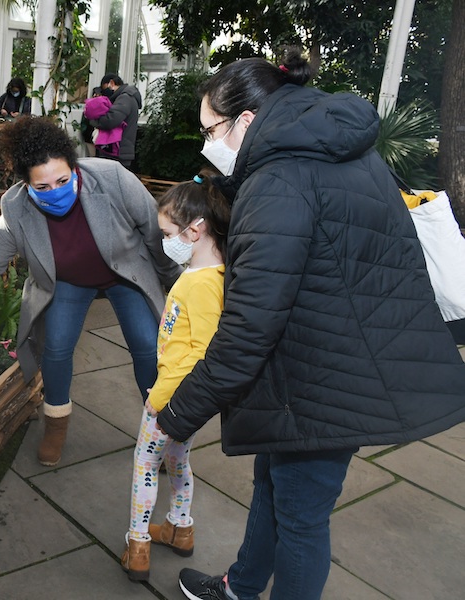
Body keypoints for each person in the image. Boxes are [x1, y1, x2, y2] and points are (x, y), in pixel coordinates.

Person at [154, 48, 465, 600]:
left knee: (300, 518)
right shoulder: (334, 146)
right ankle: (242, 585)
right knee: (277, 485)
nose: (206, 143)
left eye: (210, 130)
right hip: (339, 356)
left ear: (246, 121)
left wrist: (181, 411)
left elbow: (251, 324)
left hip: (325, 378)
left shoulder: (280, 179)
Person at [0, 117, 181, 467]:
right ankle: (56, 422)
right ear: (26, 184)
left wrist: (176, 283)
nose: (55, 191)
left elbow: (155, 233)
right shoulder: (15, 209)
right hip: (66, 279)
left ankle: (160, 432)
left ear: (74, 166)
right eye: (43, 186)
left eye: (63, 180)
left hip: (124, 272)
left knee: (147, 345)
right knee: (55, 347)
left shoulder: (113, 179)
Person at [121, 174, 230, 582]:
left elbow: (201, 351)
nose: (166, 241)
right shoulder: (209, 274)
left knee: (145, 462)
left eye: (169, 233)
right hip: (185, 398)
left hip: (172, 396)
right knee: (177, 458)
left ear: (195, 230)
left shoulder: (200, 284)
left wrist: (160, 396)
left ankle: (138, 546)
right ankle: (180, 529)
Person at [87, 73, 142, 169]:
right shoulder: (126, 97)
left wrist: (93, 120)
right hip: (121, 151)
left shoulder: (125, 98)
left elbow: (110, 120)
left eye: (105, 89)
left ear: (112, 83)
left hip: (117, 152)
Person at [83, 87, 125, 160]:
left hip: (96, 139)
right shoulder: (104, 107)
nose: (96, 97)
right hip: (93, 138)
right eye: (94, 95)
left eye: (98, 95)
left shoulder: (92, 107)